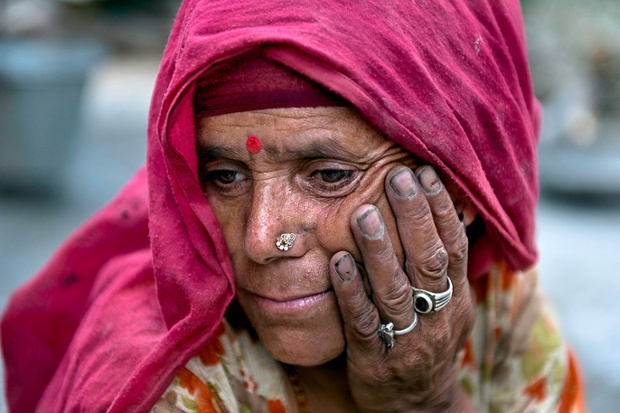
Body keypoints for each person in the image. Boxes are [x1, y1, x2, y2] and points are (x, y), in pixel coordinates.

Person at [1, 0, 586, 411]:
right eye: (225, 176)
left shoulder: (497, 308)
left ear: (463, 190)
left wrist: (425, 404)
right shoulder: (165, 387)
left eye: (329, 175)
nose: (260, 238)